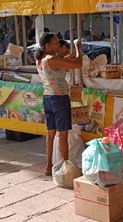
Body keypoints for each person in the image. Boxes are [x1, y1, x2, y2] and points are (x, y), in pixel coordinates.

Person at [35, 32, 82, 176]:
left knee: (50, 135)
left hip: (48, 98)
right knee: (63, 135)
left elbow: (61, 64)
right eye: (55, 42)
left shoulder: (41, 59)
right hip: (60, 98)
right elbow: (78, 64)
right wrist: (78, 48)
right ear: (48, 46)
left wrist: (69, 56)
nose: (59, 44)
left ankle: (48, 166)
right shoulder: (51, 59)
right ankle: (64, 169)